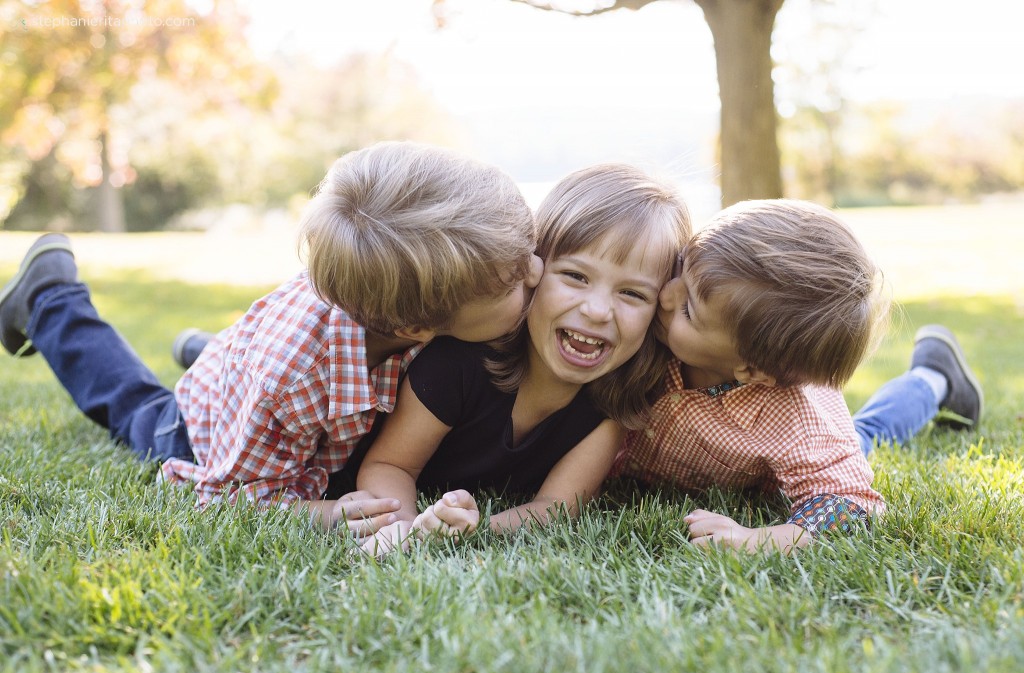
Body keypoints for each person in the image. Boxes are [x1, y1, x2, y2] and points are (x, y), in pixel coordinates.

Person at [0, 141, 542, 536]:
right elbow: (224, 500)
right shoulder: (289, 382)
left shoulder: (397, 300)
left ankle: (209, 349)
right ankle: (51, 300)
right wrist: (328, 513)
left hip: (266, 369)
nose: (538, 273)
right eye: (516, 280)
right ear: (414, 328)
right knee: (135, 409)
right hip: (201, 424)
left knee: (258, 374)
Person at [351, 163, 692, 554]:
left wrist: (471, 530)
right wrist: (407, 529)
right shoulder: (458, 362)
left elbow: (556, 506)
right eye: (576, 277)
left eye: (633, 294)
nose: (598, 311)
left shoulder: (614, 400)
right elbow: (391, 466)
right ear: (531, 268)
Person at [613, 199, 983, 553]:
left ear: (751, 370)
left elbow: (855, 506)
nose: (664, 295)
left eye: (688, 310)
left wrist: (759, 539)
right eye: (680, 267)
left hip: (809, 445)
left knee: (865, 434)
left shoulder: (798, 424)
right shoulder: (656, 327)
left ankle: (934, 377)